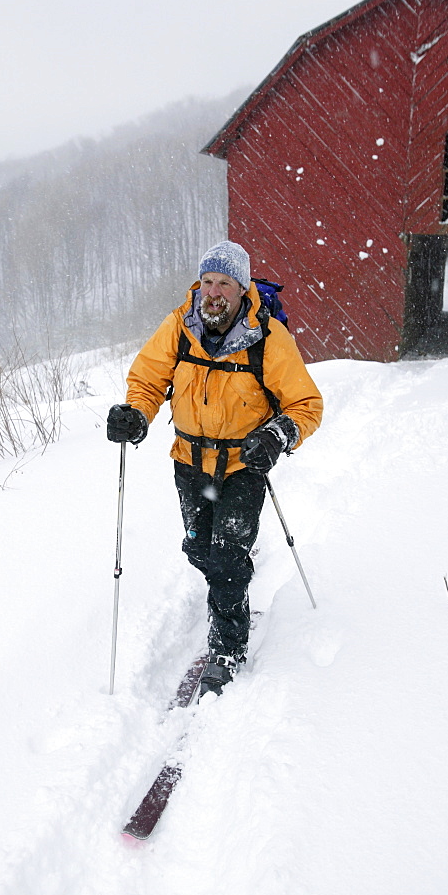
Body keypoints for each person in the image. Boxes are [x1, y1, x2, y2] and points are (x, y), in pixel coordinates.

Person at [106, 241, 323, 696]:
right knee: (200, 551)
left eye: (224, 282)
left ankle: (226, 649)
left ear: (242, 288)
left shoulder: (268, 337)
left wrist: (276, 435)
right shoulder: (179, 325)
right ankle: (232, 582)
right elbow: (148, 379)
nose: (214, 292)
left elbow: (306, 405)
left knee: (225, 557)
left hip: (244, 464)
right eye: (207, 281)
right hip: (188, 462)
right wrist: (136, 414)